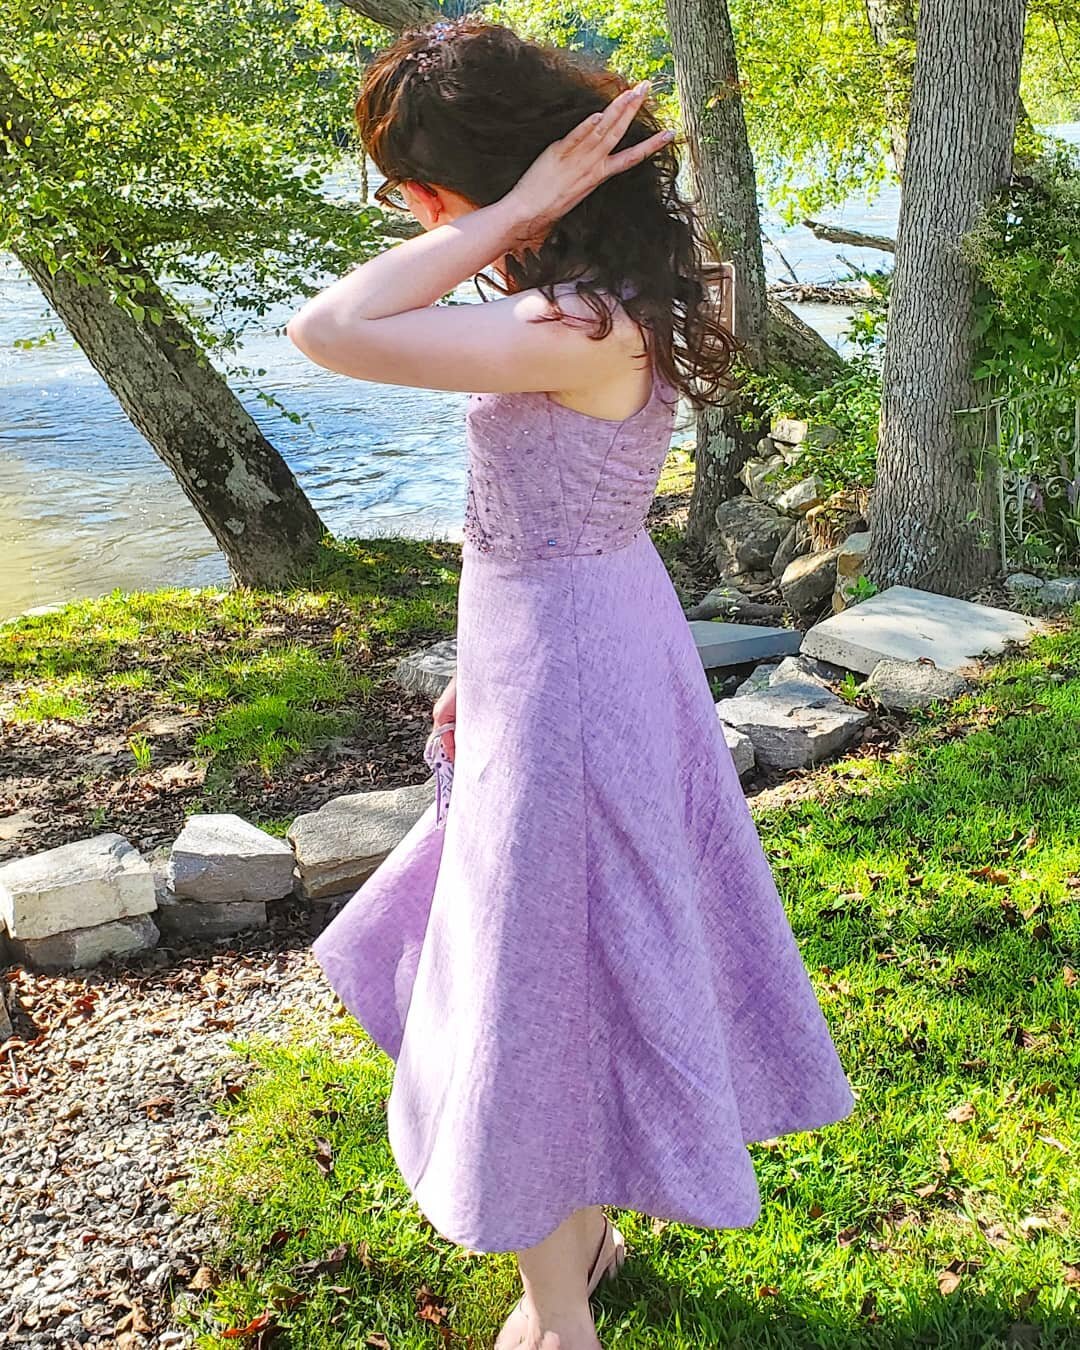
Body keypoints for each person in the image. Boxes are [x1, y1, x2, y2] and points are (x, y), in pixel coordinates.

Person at [288, 17, 854, 1350]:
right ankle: (582, 1240)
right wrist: (482, 675)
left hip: (578, 673)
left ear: (495, 181)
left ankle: (558, 1315)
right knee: (560, 951)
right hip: (567, 642)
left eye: (419, 190)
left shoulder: (574, 319)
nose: (411, 216)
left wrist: (518, 210)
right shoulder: (617, 291)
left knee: (534, 976)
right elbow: (536, 511)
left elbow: (330, 326)